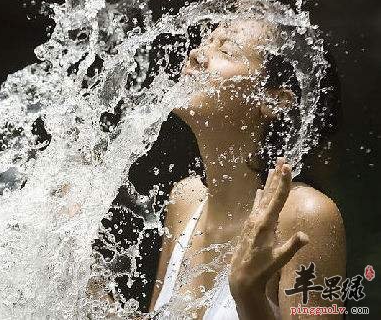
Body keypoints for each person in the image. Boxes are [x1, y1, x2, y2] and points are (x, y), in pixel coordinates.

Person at [143, 20, 346, 319]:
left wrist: (249, 297)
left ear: (273, 100)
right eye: (205, 42)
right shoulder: (185, 200)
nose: (197, 55)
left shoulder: (305, 216)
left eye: (225, 50)